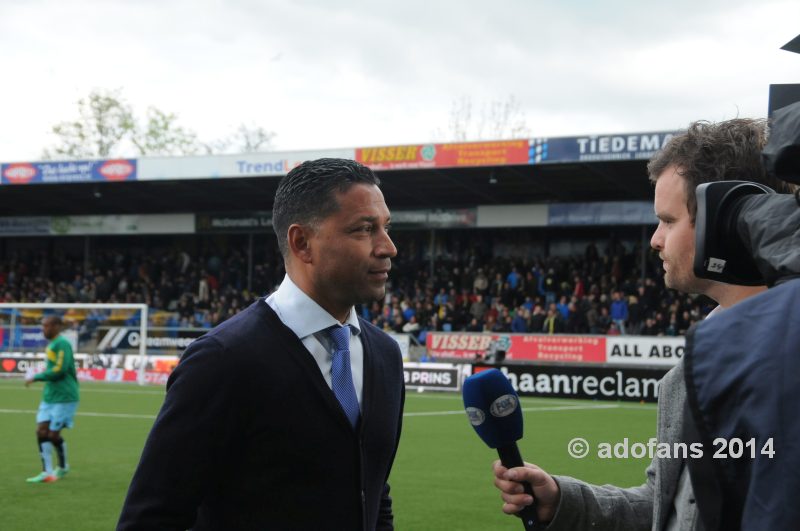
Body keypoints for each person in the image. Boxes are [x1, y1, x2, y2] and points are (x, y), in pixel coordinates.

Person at [493, 118, 792, 530]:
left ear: (726, 219)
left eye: (668, 221)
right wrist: (564, 501)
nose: (655, 239)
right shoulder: (685, 375)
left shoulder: (783, 363)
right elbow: (666, 507)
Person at [117, 158, 405, 530]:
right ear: (302, 243)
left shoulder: (384, 355)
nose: (389, 247)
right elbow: (151, 518)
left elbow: (373, 492)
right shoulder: (224, 360)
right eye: (364, 230)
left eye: (386, 227)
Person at [25, 315, 79, 483]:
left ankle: (62, 467)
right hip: (50, 396)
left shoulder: (63, 344)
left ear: (56, 326)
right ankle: (47, 472)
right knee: (41, 430)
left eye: (47, 326)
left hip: (65, 396)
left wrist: (36, 377)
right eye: (43, 326)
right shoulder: (52, 345)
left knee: (53, 435)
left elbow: (60, 370)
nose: (44, 329)